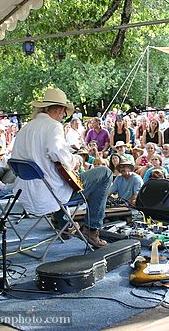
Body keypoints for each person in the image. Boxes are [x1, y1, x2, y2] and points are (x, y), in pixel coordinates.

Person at [11, 88, 112, 248]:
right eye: (64, 113)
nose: (63, 116)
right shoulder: (53, 126)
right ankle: (92, 229)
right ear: (59, 110)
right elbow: (62, 157)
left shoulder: (25, 129)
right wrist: (78, 158)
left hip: (25, 193)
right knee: (104, 173)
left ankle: (62, 222)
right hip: (50, 195)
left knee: (58, 178)